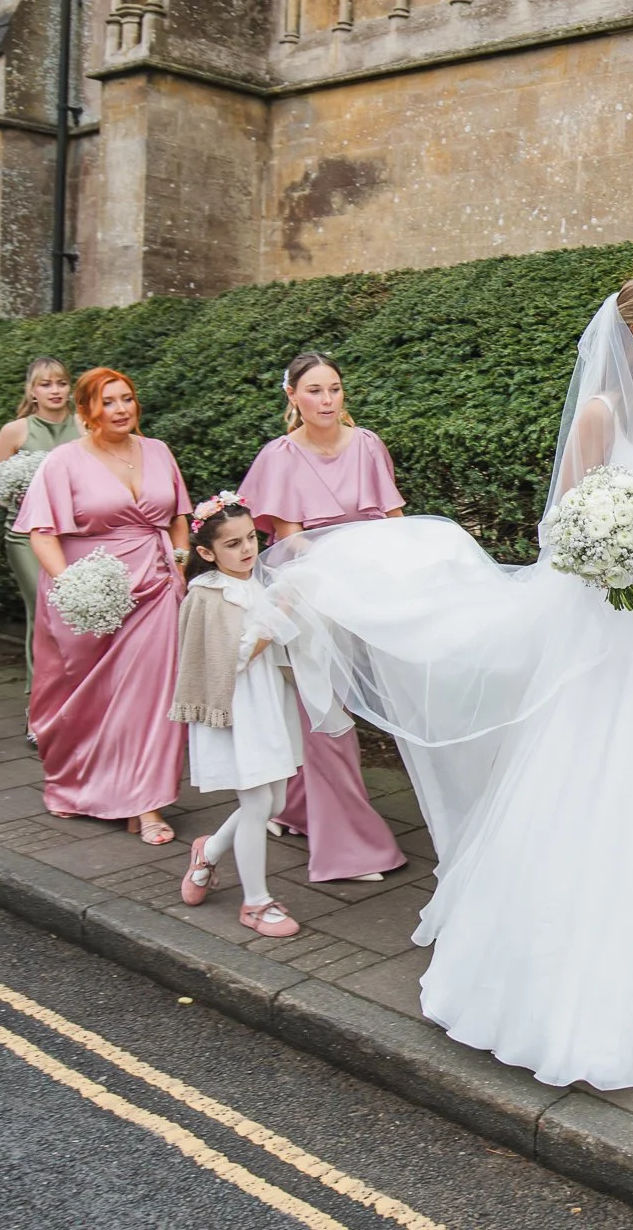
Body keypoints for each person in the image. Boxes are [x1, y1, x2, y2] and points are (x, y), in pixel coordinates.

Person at [263, 276, 633, 1090]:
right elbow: (563, 525)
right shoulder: (600, 414)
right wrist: (608, 557)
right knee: (616, 778)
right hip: (623, 624)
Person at [235, 352, 405, 882]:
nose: (327, 400)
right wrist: (346, 571)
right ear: (292, 396)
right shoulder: (280, 456)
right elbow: (290, 541)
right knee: (326, 716)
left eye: (334, 388)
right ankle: (350, 848)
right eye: (314, 391)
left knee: (338, 708)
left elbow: (394, 520)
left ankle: (292, 807)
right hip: (308, 599)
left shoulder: (368, 445)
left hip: (368, 592)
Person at [15, 367, 192, 843]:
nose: (120, 409)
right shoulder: (63, 461)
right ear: (86, 410)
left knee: (150, 698)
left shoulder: (158, 451)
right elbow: (42, 533)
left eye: (127, 398)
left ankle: (146, 803)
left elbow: (178, 517)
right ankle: (81, 783)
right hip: (90, 592)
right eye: (108, 401)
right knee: (88, 699)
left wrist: (179, 563)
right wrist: (72, 586)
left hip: (155, 587)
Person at [174, 494, 311, 939]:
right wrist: (277, 616)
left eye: (251, 537)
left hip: (268, 700)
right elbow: (226, 660)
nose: (247, 548)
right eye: (233, 544)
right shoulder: (207, 594)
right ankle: (255, 903)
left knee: (276, 803)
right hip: (235, 708)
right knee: (256, 805)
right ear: (207, 552)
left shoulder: (259, 582)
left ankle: (209, 851)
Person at [0, 357, 80, 701]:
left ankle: (77, 697)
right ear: (32, 391)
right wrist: (18, 489)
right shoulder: (14, 431)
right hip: (26, 536)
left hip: (75, 534)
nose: (55, 390)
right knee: (43, 612)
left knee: (74, 613)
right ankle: (38, 702)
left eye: (61, 383)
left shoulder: (85, 425)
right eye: (45, 384)